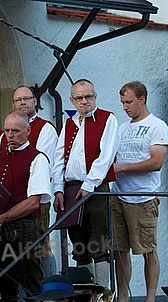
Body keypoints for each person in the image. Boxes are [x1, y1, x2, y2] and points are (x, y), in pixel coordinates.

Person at [112, 81, 168, 302]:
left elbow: (156, 162)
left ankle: (149, 301)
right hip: (118, 195)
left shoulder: (157, 126)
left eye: (129, 102)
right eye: (123, 103)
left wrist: (122, 168)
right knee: (119, 250)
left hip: (143, 196)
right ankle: (123, 300)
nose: (125, 107)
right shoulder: (122, 128)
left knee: (148, 249)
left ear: (142, 99)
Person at [52, 79, 119, 287]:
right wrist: (58, 189)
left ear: (95, 97)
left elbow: (106, 156)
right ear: (72, 100)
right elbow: (59, 158)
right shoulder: (69, 123)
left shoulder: (107, 119)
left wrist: (89, 184)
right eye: (79, 98)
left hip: (95, 188)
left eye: (88, 96)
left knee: (99, 244)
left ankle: (104, 297)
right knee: (79, 246)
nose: (84, 101)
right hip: (71, 189)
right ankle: (85, 295)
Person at [0, 110, 51, 302]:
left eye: (15, 131)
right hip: (0, 227)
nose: (10, 135)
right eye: (7, 131)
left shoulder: (37, 158)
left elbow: (34, 202)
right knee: (3, 284)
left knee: (31, 281)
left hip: (26, 227)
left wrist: (2, 218)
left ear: (28, 130)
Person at [9, 84, 59, 276]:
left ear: (35, 101)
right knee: (19, 247)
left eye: (26, 98)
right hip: (15, 197)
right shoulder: (11, 128)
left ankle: (49, 287)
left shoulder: (45, 128)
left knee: (42, 245)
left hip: (36, 196)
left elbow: (43, 162)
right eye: (18, 100)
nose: (22, 103)